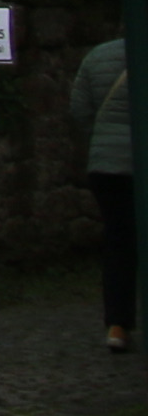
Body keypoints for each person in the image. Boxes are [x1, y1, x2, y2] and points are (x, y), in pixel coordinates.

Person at [80, 22, 132, 356]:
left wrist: (99, 144)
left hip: (107, 166)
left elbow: (79, 109)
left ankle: (118, 325)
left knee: (118, 243)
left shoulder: (97, 56)